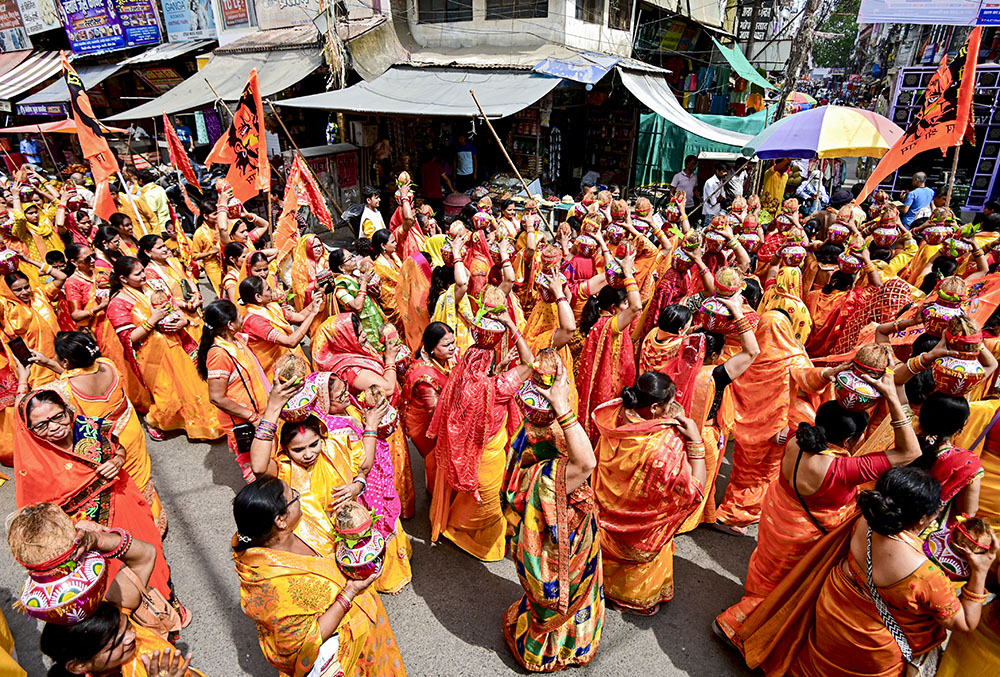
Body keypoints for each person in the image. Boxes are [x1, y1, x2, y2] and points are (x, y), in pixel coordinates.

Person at [716, 366, 922, 650]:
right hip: (804, 536)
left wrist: (834, 372)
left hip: (776, 517)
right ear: (851, 441)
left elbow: (800, 378)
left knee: (766, 570)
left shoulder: (796, 437)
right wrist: (893, 398)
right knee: (786, 586)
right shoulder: (845, 468)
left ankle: (751, 602)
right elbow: (911, 452)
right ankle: (740, 624)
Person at [744, 467, 997, 677]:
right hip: (868, 647)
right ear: (922, 519)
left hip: (832, 610)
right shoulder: (927, 575)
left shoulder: (866, 520)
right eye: (935, 512)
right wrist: (980, 570)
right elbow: (965, 622)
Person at [249, 375, 413, 595]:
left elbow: (363, 465)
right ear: (285, 450)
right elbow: (259, 467)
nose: (308, 454)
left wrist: (357, 485)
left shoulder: (336, 445)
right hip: (317, 542)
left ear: (323, 437)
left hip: (349, 530)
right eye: (298, 450)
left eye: (313, 444)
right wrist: (272, 409)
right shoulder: (285, 469)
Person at [13, 388, 175, 600]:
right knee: (113, 583)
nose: (54, 427)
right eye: (42, 425)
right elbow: (38, 518)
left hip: (126, 504)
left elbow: (118, 447)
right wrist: (76, 527)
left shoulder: (88, 426)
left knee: (149, 558)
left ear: (66, 409)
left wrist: (117, 461)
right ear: (29, 429)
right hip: (88, 532)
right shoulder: (32, 467)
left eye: (58, 416)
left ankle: (165, 608)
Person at [232, 477, 406, 676]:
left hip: (368, 622)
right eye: (293, 496)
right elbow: (303, 644)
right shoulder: (271, 586)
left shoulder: (300, 524)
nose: (300, 497)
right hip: (342, 654)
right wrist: (350, 592)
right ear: (280, 520)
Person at [503, 360, 603, 671]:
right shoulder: (550, 478)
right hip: (565, 546)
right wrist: (562, 406)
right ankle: (557, 649)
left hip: (539, 536)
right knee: (567, 598)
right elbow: (587, 463)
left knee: (543, 598)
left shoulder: (526, 436)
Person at [592, 372, 707, 614]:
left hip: (605, 509)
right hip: (639, 527)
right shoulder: (664, 445)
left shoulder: (616, 414)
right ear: (655, 407)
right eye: (670, 402)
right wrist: (697, 443)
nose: (675, 405)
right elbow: (694, 490)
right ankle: (631, 600)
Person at [29, 331, 165, 533]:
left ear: (65, 362)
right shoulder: (107, 364)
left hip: (108, 442)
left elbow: (29, 406)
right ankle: (155, 519)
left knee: (121, 487)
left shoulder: (63, 390)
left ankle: (138, 530)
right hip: (130, 429)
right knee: (141, 477)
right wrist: (49, 363)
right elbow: (80, 374)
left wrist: (24, 379)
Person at [428, 310, 533, 561]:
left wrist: (499, 368)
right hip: (488, 456)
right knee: (490, 505)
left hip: (468, 453)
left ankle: (455, 526)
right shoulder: (497, 388)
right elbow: (529, 362)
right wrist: (510, 325)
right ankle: (465, 536)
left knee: (471, 497)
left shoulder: (461, 378)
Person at [107, 257, 221, 441]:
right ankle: (153, 420)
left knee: (190, 387)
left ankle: (198, 423)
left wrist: (183, 322)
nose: (144, 276)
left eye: (143, 271)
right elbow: (127, 338)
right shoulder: (118, 304)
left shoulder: (151, 288)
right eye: (137, 274)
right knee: (167, 395)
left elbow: (176, 310)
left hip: (176, 345)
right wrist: (152, 320)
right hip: (152, 357)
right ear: (123, 279)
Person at [197, 299, 270, 480]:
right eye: (239, 316)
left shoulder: (234, 340)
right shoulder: (219, 353)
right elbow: (216, 398)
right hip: (244, 419)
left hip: (256, 413)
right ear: (230, 325)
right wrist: (252, 417)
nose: (242, 318)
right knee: (254, 466)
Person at [577, 251, 641, 442]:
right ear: (613, 307)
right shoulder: (610, 325)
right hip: (611, 387)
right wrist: (628, 274)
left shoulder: (601, 321)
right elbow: (636, 307)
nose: (628, 306)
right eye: (625, 303)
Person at [401, 322, 456, 487]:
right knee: (436, 457)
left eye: (453, 342)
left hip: (436, 411)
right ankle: (437, 491)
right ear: (432, 348)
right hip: (426, 425)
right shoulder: (426, 378)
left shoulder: (443, 358)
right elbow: (437, 414)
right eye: (447, 345)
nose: (453, 348)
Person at [1, 256, 67, 386]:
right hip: (35, 368)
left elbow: (61, 277)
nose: (24, 292)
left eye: (26, 287)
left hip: (58, 358)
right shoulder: (5, 305)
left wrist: (29, 260)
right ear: (8, 291)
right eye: (18, 290)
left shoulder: (39, 295)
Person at [239, 276, 321, 380]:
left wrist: (313, 304)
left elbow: (300, 317)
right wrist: (313, 313)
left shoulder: (272, 307)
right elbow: (291, 342)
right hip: (278, 373)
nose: (272, 291)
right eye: (268, 289)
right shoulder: (254, 322)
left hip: (293, 363)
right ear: (258, 297)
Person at [329, 247, 387, 346]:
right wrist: (364, 282)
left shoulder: (355, 276)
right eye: (349, 259)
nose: (354, 260)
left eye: (352, 256)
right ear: (341, 268)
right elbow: (357, 306)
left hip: (377, 322)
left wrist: (376, 294)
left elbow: (367, 298)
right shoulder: (340, 286)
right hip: (365, 331)